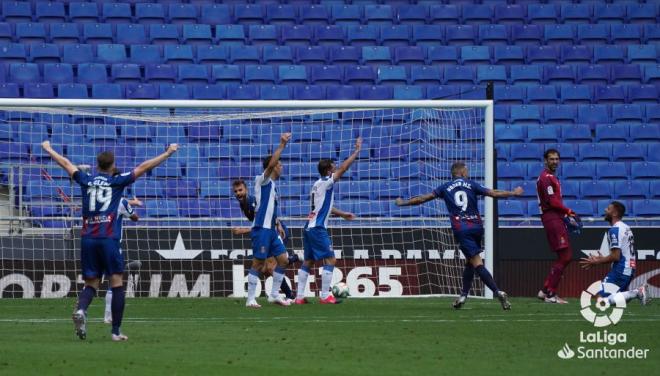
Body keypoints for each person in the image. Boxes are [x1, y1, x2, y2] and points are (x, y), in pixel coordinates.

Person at [41, 140, 178, 341]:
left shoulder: (85, 179)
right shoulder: (117, 181)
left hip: (87, 238)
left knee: (91, 283)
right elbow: (143, 167)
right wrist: (167, 154)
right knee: (116, 283)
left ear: (96, 165)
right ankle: (115, 331)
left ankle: (81, 310)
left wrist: (49, 149)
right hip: (108, 238)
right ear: (112, 165)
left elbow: (66, 164)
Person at [395, 162, 523, 310]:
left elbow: (422, 199)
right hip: (477, 227)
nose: (467, 172)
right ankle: (463, 296)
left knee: (476, 262)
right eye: (466, 170)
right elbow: (493, 193)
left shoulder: (444, 187)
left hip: (461, 228)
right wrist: (513, 193)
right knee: (470, 262)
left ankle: (497, 292)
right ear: (461, 171)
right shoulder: (471, 184)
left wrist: (403, 203)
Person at [294, 138, 361, 305]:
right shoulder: (326, 182)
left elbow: (323, 207)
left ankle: (299, 297)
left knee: (308, 261)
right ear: (329, 170)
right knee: (331, 260)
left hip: (309, 227)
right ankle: (325, 296)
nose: (336, 168)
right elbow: (345, 168)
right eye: (333, 167)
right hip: (317, 228)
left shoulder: (317, 185)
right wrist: (356, 152)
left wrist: (343, 214)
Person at [230, 179, 298, 301]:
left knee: (271, 267)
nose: (238, 193)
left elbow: (262, 224)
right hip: (268, 232)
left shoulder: (251, 201)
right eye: (235, 191)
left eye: (240, 190)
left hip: (275, 232)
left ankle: (288, 292)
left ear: (246, 189)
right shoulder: (243, 203)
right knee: (267, 269)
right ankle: (288, 290)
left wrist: (242, 230)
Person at [246, 133, 292, 308]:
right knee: (258, 264)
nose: (281, 167)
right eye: (279, 165)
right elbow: (272, 163)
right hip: (261, 229)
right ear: (272, 167)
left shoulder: (273, 186)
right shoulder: (262, 180)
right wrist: (281, 145)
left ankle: (274, 295)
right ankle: (250, 299)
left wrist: (277, 223)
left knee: (283, 260)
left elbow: (270, 210)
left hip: (271, 230)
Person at [579, 201, 649, 306]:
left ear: (614, 213)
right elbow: (619, 254)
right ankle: (636, 293)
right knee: (618, 298)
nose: (605, 210)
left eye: (608, 209)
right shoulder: (625, 227)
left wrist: (597, 261)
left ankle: (637, 292)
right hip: (628, 268)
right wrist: (603, 259)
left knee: (601, 299)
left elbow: (615, 256)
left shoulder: (615, 229)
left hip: (621, 269)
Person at [536, 149, 576, 304]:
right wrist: (568, 211)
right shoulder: (546, 178)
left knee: (564, 256)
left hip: (555, 217)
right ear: (545, 160)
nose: (554, 161)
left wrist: (564, 214)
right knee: (566, 256)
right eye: (551, 159)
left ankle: (545, 290)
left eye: (557, 159)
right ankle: (550, 293)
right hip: (552, 218)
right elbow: (552, 202)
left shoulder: (550, 177)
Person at [104, 196, 142, 324]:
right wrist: (134, 210)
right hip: (113, 245)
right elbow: (134, 218)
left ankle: (81, 308)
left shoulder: (99, 199)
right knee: (115, 280)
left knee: (93, 282)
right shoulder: (122, 202)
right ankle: (108, 316)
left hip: (95, 242)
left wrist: (133, 202)